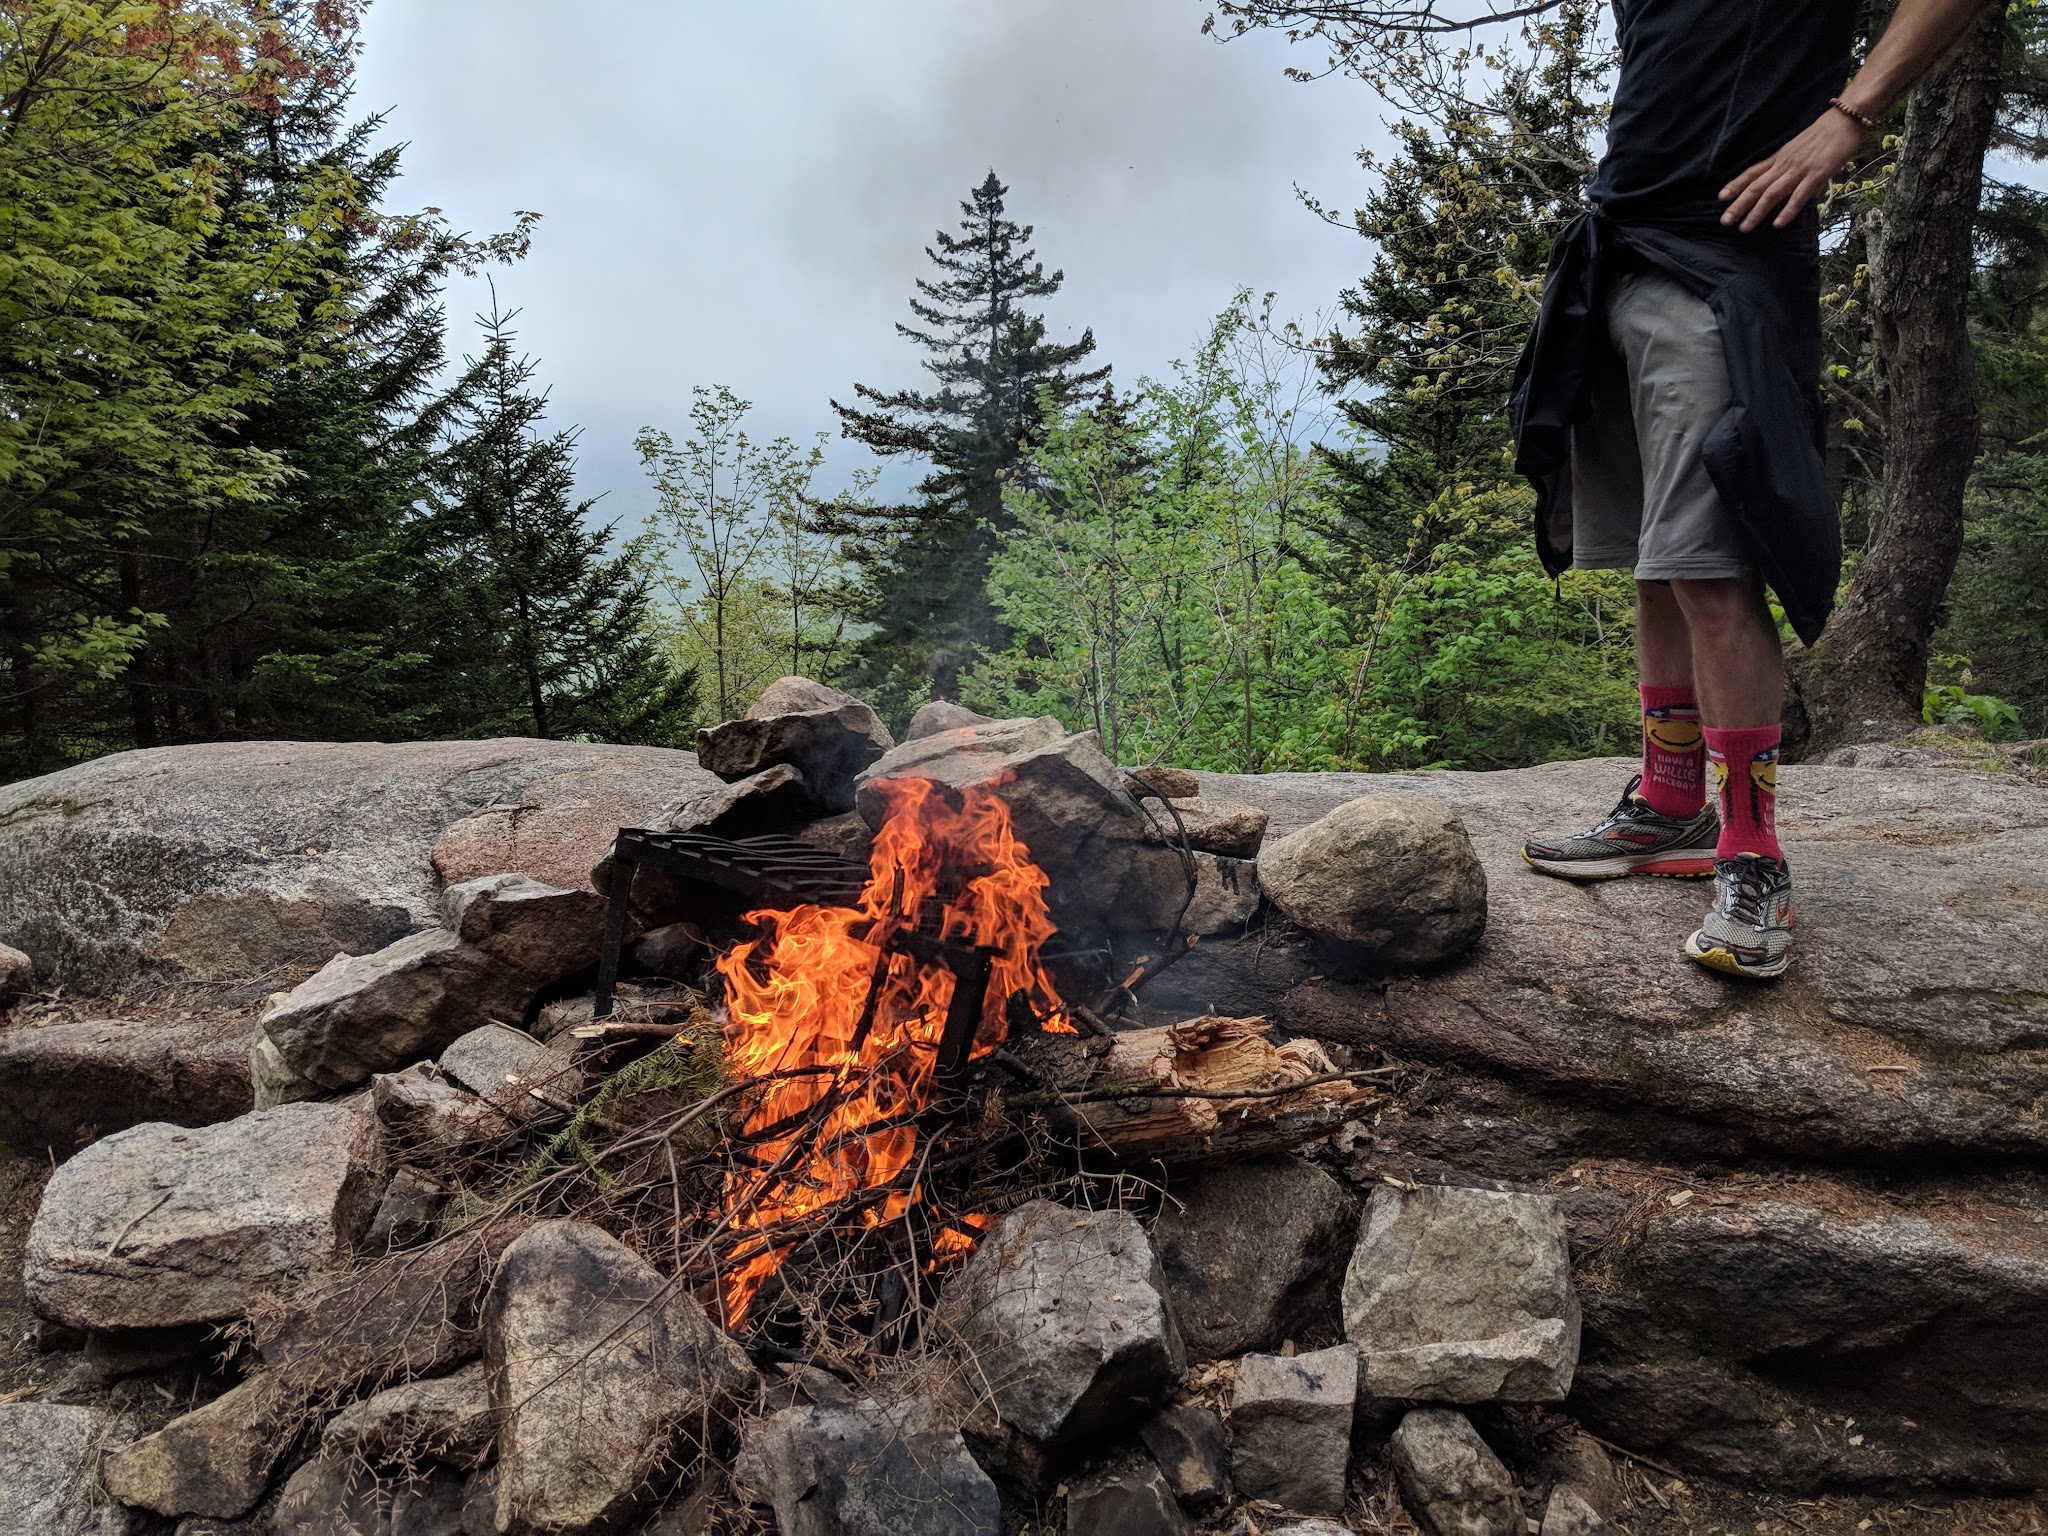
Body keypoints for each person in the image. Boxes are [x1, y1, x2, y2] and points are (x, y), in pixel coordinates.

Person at [1510, 0, 1994, 980]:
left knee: (1711, 571)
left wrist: (1848, 115)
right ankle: (1667, 800)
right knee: (1656, 561)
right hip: (1618, 249)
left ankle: (1749, 856)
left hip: (1722, 260)